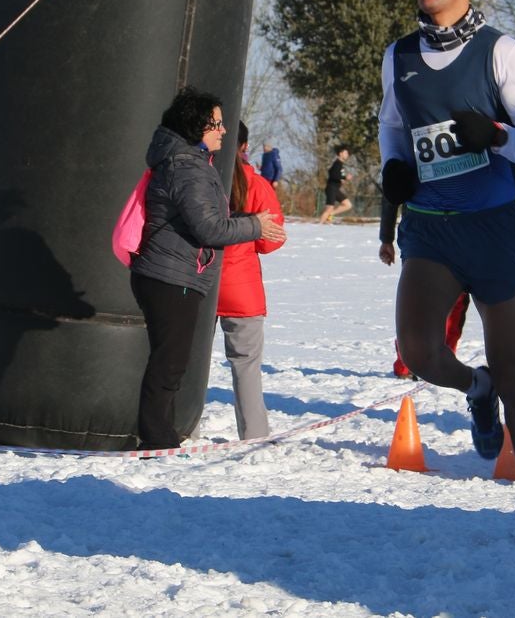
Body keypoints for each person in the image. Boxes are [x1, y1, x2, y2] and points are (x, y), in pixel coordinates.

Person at [377, 0, 515, 545]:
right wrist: (394, 167)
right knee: (420, 353)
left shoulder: (499, 51)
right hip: (430, 226)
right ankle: (473, 388)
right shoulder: (399, 55)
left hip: (490, 228)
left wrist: (500, 137)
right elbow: (393, 128)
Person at [130, 87, 286, 451]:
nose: (223, 131)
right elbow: (211, 228)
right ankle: (161, 438)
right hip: (189, 278)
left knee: (179, 362)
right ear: (197, 126)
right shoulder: (190, 169)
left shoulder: (187, 164)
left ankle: (170, 432)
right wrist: (256, 226)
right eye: (216, 124)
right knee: (177, 363)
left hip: (188, 275)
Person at [217, 121, 286, 439]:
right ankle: (254, 435)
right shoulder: (257, 184)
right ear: (244, 147)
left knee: (184, 363)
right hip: (241, 289)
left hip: (198, 282)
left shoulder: (201, 177)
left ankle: (174, 426)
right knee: (245, 366)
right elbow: (271, 242)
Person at [379, 196, 470, 378]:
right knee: (444, 301)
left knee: (423, 301)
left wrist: (386, 239)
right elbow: (392, 191)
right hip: (432, 233)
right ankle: (424, 362)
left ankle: (423, 361)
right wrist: (386, 239)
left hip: (428, 233)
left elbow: (391, 193)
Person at [318, 144, 353, 223]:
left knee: (347, 205)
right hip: (331, 188)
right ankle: (319, 226)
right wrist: (344, 178)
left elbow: (335, 174)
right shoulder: (337, 163)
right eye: (346, 153)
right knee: (329, 208)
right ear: (340, 153)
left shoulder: (340, 164)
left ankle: (330, 215)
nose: (347, 155)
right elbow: (333, 174)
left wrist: (343, 178)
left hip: (335, 189)